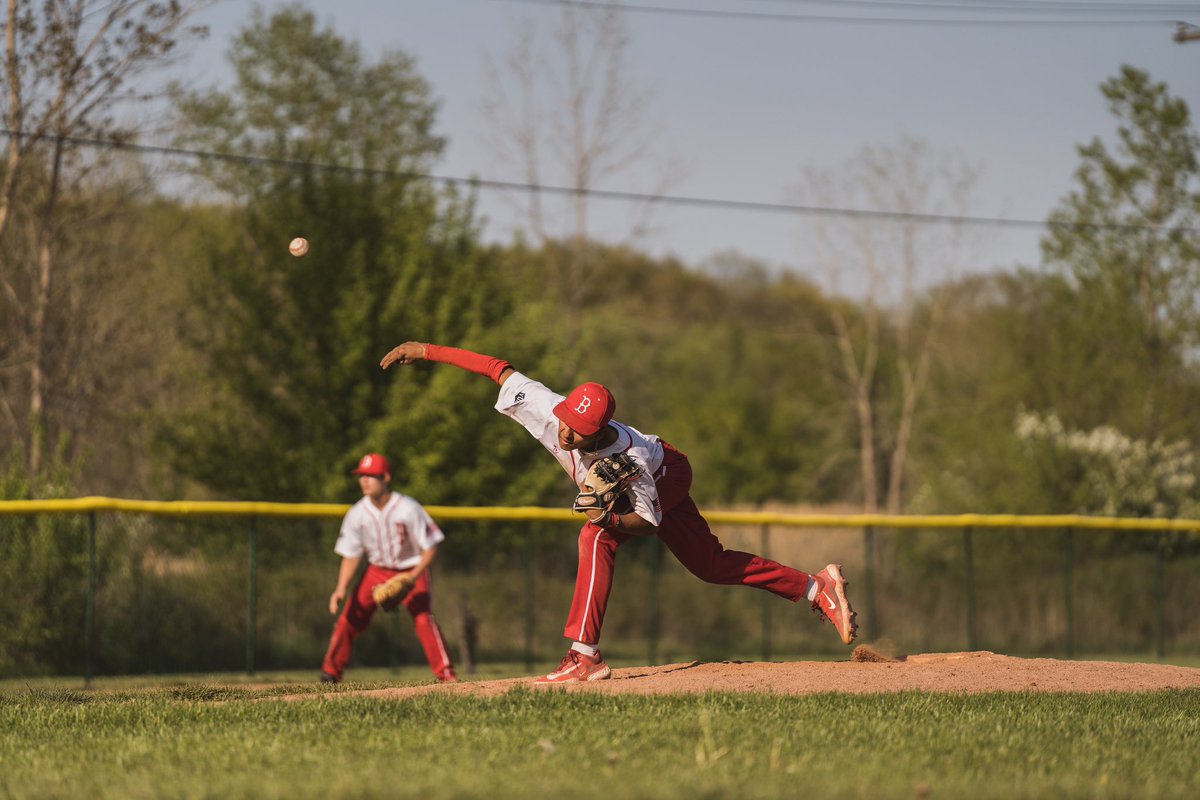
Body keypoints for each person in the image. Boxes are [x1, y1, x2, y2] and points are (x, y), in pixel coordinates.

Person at [379, 342, 857, 685]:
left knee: (595, 537)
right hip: (646, 481)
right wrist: (424, 351)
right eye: (566, 421)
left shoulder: (631, 460)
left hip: (669, 473)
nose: (566, 434)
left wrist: (607, 519)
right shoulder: (549, 409)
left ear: (600, 431)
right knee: (710, 566)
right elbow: (496, 368)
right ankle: (816, 587)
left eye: (579, 431)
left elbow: (646, 524)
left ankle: (584, 656)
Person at [320, 452, 457, 684]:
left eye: (371, 476)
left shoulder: (408, 508)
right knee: (350, 618)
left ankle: (446, 675)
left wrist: (412, 577)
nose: (364, 480)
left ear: (386, 478)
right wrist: (340, 588)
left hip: (411, 568)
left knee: (424, 619)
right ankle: (330, 674)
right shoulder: (357, 513)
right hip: (377, 570)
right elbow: (352, 555)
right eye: (361, 475)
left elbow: (430, 548)